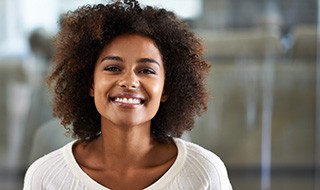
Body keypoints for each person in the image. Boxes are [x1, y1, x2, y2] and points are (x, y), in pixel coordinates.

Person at [23, 0, 233, 189]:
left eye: (146, 70)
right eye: (113, 68)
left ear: (166, 89)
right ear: (90, 84)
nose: (130, 81)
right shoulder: (46, 177)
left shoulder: (203, 173)